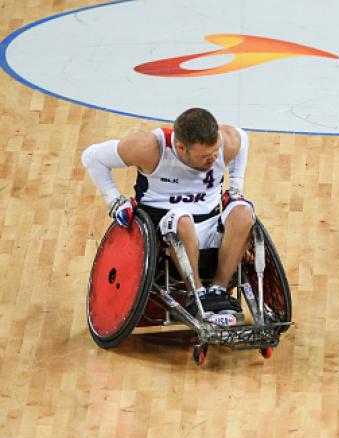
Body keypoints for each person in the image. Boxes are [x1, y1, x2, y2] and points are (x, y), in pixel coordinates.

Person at [81, 107, 254, 325]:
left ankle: (218, 289)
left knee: (243, 211)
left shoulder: (227, 142)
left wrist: (236, 188)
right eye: (204, 156)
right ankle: (197, 293)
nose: (213, 159)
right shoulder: (150, 148)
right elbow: (91, 157)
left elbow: (243, 139)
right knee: (182, 219)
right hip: (166, 227)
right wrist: (115, 201)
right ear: (181, 148)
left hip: (210, 223)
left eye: (215, 152)